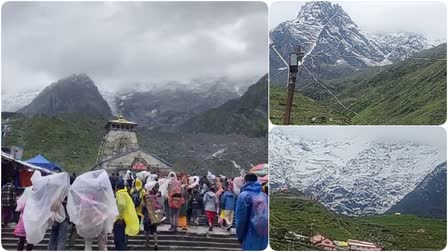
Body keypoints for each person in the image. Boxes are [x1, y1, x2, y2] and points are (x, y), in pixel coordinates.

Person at [235, 173, 268, 250]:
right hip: (264, 237)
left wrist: (240, 236)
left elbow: (241, 219)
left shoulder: (244, 195)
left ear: (245, 181)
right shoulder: (264, 196)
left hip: (250, 236)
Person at [115, 178, 139, 250]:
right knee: (123, 239)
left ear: (117, 187)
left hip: (121, 220)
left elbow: (122, 205)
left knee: (119, 240)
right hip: (125, 220)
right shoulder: (125, 193)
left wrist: (120, 217)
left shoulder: (120, 194)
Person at [142, 181, 162, 250]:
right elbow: (159, 206)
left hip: (147, 217)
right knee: (154, 231)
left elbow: (143, 209)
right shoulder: (155, 198)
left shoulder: (146, 198)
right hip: (154, 217)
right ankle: (156, 243)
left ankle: (147, 242)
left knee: (146, 230)